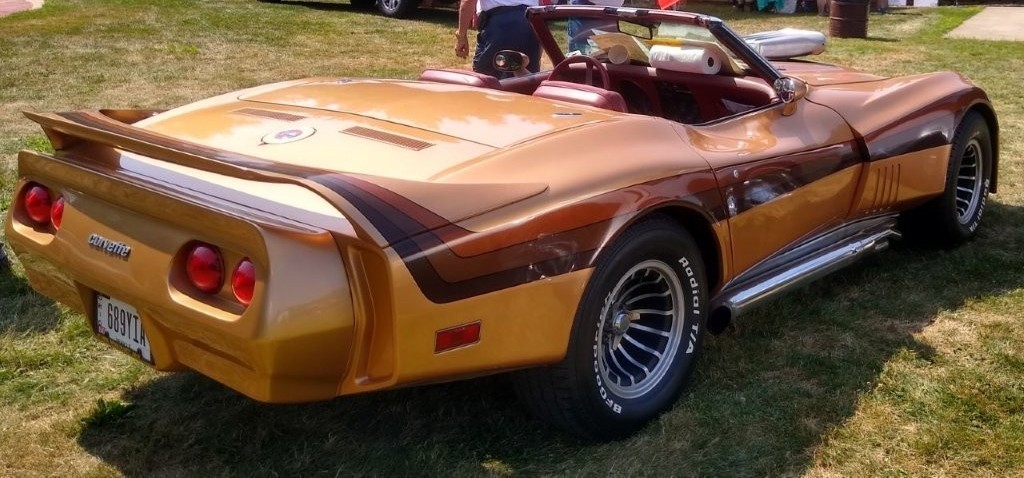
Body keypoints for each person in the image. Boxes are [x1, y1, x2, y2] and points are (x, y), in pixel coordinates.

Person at [455, 0, 541, 79]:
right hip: (531, 23)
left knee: (486, 81)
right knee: (527, 81)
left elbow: (468, 2)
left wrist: (461, 36)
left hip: (500, 24)